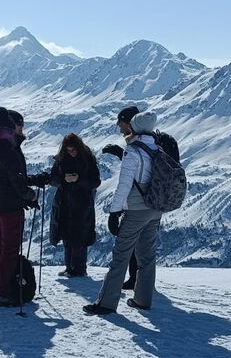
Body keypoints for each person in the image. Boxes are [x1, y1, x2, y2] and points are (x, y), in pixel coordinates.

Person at [84, 106, 163, 315]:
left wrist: (114, 211)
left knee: (120, 255)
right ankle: (142, 300)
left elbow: (125, 184)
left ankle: (106, 303)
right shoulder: (157, 148)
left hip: (136, 210)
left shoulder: (134, 150)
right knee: (147, 256)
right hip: (155, 208)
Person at [0, 107, 38, 306]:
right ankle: (1, 292)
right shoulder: (9, 151)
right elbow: (17, 182)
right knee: (9, 250)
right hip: (11, 207)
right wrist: (30, 195)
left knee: (0, 249)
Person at [38, 133, 101, 277]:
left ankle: (79, 268)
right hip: (64, 203)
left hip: (82, 204)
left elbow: (95, 182)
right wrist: (63, 179)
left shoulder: (88, 161)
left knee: (80, 237)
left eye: (74, 150)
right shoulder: (60, 161)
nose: (72, 153)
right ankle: (69, 267)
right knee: (66, 235)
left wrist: (79, 180)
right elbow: (53, 180)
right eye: (69, 150)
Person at [100, 144, 139, 290]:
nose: (118, 126)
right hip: (152, 205)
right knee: (144, 248)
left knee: (124, 248)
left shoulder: (137, 143)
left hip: (136, 205)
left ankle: (109, 297)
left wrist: (115, 212)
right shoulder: (152, 143)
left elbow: (127, 181)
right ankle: (141, 284)